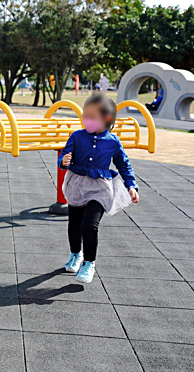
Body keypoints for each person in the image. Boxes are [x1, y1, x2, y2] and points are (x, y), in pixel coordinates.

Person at [58, 92, 139, 284]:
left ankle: (89, 263)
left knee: (90, 225)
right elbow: (66, 154)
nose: (88, 120)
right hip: (77, 184)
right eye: (86, 116)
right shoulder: (77, 136)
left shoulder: (113, 142)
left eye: (93, 117)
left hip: (100, 187)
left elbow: (123, 164)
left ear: (107, 119)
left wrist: (131, 185)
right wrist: (64, 161)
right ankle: (75, 254)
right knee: (74, 225)